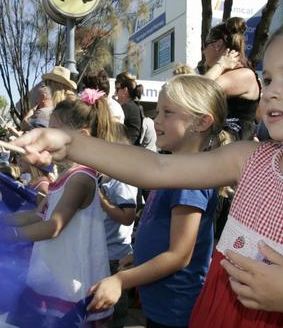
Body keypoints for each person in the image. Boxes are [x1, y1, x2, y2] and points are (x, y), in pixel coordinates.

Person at [13, 12, 283, 327]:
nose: (271, 91)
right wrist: (72, 143)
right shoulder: (250, 160)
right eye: (269, 78)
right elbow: (156, 167)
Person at [88, 75, 231, 328]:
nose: (156, 120)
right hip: (161, 302)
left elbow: (179, 256)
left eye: (168, 113)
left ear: (201, 122)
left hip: (175, 309)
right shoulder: (175, 169)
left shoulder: (191, 179)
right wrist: (141, 256)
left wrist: (122, 280)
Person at [3, 88, 117, 327]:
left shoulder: (81, 178)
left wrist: (9, 235)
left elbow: (53, 226)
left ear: (82, 136)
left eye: (53, 131)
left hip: (70, 288)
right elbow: (38, 215)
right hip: (51, 277)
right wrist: (1, 219)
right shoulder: (64, 177)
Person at [97, 123, 138, 328]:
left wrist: (102, 200)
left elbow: (128, 216)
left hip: (116, 258)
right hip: (104, 253)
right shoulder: (106, 176)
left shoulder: (122, 178)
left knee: (115, 314)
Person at [202, 17, 261, 141]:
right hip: (225, 145)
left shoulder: (244, 74)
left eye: (204, 45)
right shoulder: (233, 73)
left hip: (235, 148)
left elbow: (199, 90)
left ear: (217, 45)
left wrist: (221, 65)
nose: (203, 51)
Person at [114, 72, 143, 145]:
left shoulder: (127, 107)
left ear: (125, 90)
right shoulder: (132, 106)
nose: (115, 93)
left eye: (117, 89)